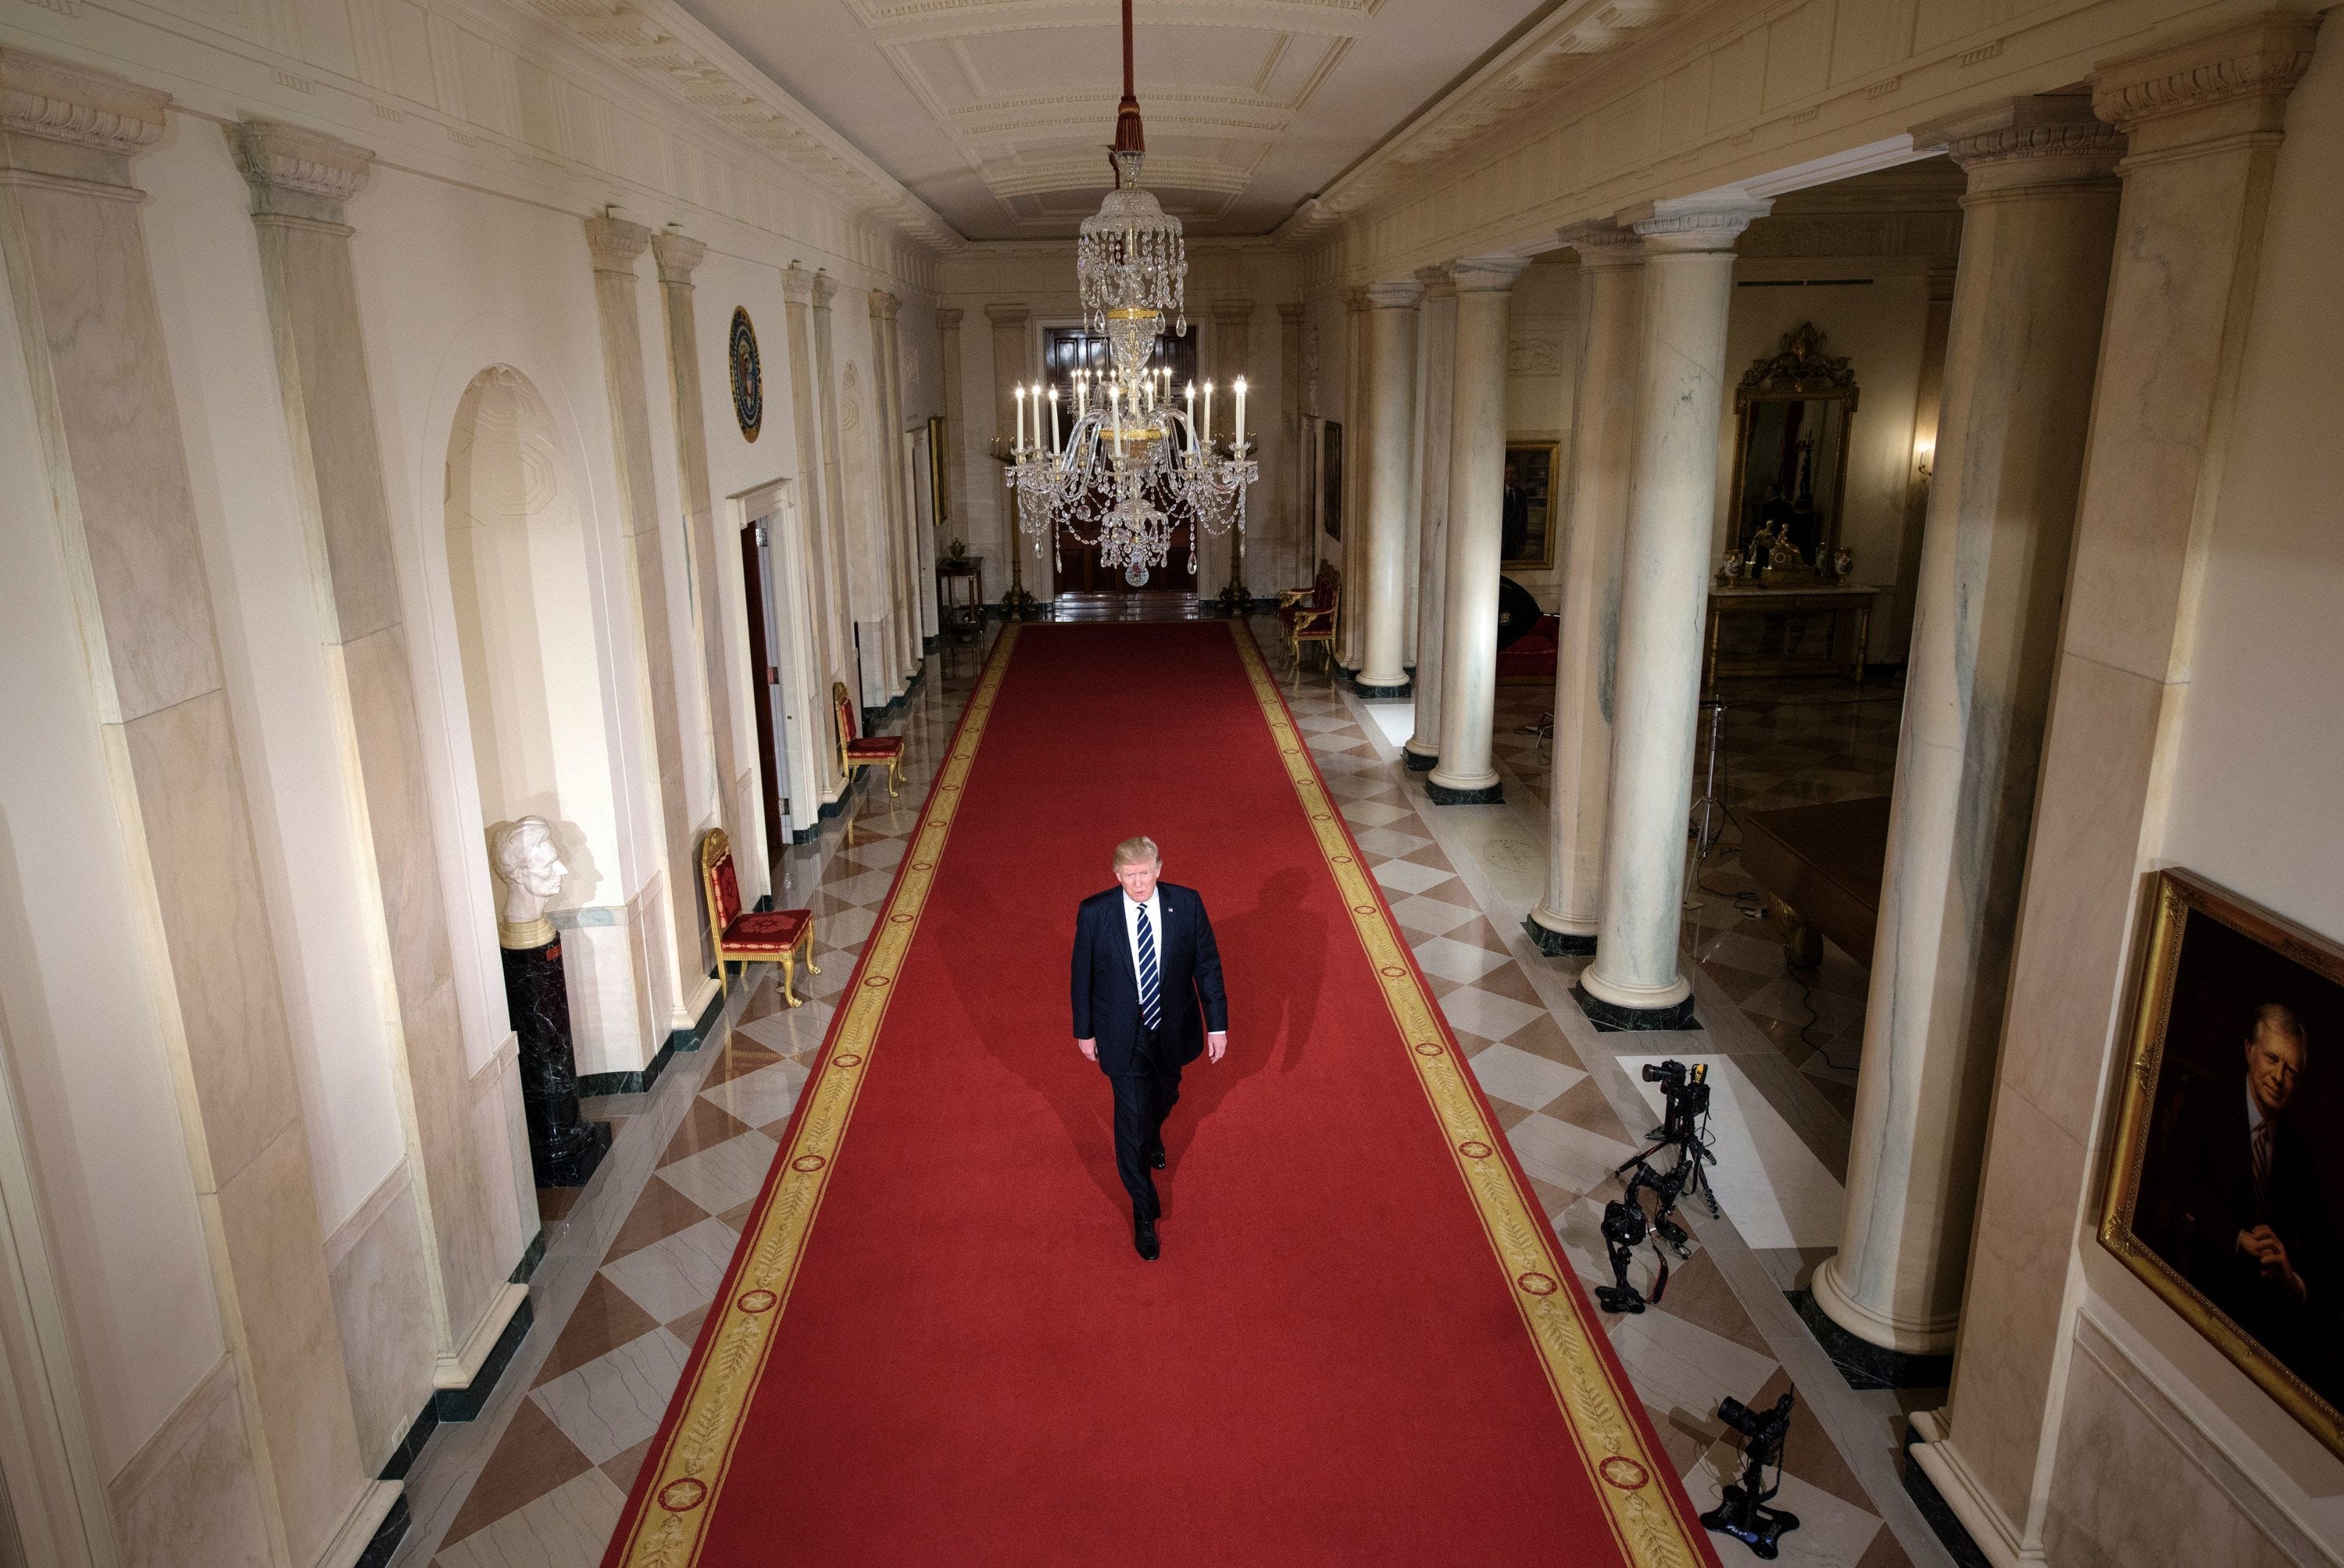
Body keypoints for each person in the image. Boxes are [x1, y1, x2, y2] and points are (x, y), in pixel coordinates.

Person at [1070, 837, 1227, 1260]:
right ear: (1116, 874)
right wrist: (1084, 1032)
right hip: (1121, 1033)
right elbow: (1082, 975)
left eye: (1145, 873)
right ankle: (1143, 1211)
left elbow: (1207, 966)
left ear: (1159, 868)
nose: (1138, 884)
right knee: (1132, 1121)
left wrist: (1217, 1026)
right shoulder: (1095, 913)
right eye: (1129, 875)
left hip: (1172, 1027)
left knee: (1166, 1094)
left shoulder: (1187, 904)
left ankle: (1153, 1132)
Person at [2159, 1002, 2336, 1373]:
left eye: (2291, 1069)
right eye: (2272, 1058)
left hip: (2269, 1315)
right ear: (2249, 1051)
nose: (2279, 1077)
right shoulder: (2209, 1103)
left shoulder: (2299, 1152)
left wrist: (2292, 1278)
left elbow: (2322, 1245)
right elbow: (2176, 1175)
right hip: (2201, 1282)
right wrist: (2237, 1237)